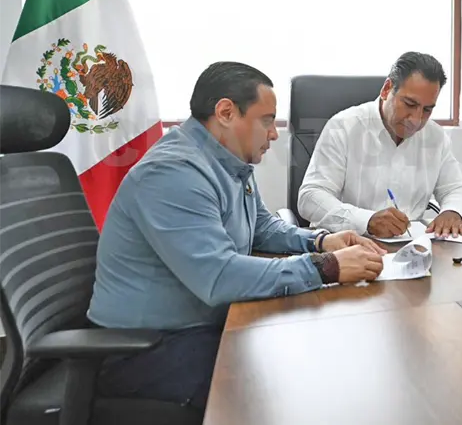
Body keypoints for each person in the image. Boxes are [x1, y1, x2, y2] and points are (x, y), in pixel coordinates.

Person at [87, 61, 386, 413]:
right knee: (286, 388)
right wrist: (325, 266)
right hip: (145, 349)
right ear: (226, 112)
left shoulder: (228, 162)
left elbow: (263, 227)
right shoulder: (173, 173)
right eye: (266, 120)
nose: (274, 134)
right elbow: (220, 276)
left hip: (197, 327)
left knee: (312, 356)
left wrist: (320, 242)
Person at [298, 52, 462, 238]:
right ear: (387, 89)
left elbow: (456, 189)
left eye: (427, 109)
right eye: (409, 104)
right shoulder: (344, 127)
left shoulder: (435, 136)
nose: (416, 119)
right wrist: (366, 221)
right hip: (345, 244)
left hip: (411, 246)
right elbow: (310, 197)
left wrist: (453, 211)